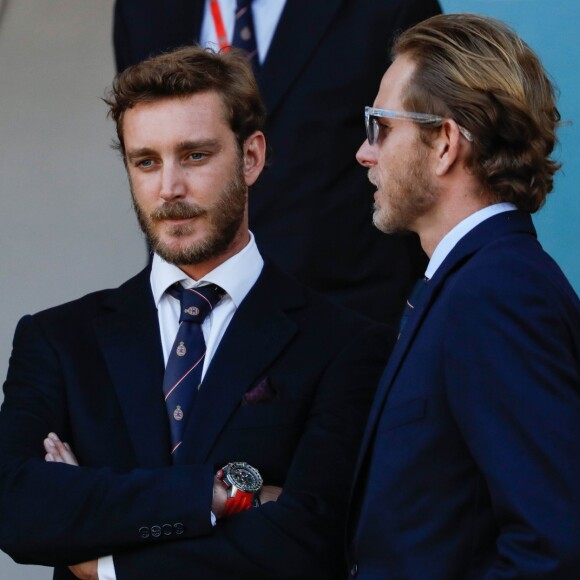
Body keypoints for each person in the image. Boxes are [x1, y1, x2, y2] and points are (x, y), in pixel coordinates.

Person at [0, 46, 393, 580]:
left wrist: (105, 562)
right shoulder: (57, 339)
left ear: (251, 158)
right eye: (146, 161)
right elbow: (19, 512)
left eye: (195, 155)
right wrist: (214, 494)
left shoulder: (346, 344)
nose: (169, 189)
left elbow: (309, 540)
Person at [346, 13, 580, 579]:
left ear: (445, 143)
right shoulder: (468, 283)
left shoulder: (499, 293)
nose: (364, 152)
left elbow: (551, 546)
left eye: (381, 126)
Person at [112, 0, 442, 325]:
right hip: (189, 315)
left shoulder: (391, 7)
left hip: (342, 317)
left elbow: (425, 162)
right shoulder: (142, 9)